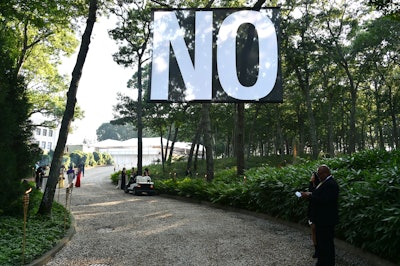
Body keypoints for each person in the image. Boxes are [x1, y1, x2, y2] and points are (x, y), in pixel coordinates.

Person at [301, 165, 339, 266]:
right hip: (321, 219)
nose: (318, 176)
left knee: (326, 244)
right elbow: (317, 194)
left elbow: (325, 200)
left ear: (325, 173)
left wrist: (310, 195)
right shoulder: (324, 183)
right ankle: (322, 262)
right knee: (322, 243)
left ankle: (327, 263)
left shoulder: (330, 184)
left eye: (319, 174)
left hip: (326, 219)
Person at [307, 172, 320, 258]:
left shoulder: (320, 186)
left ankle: (320, 249)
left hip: (318, 210)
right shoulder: (311, 184)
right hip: (311, 209)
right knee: (313, 229)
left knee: (317, 230)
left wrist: (310, 194)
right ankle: (316, 250)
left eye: (312, 175)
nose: (311, 177)